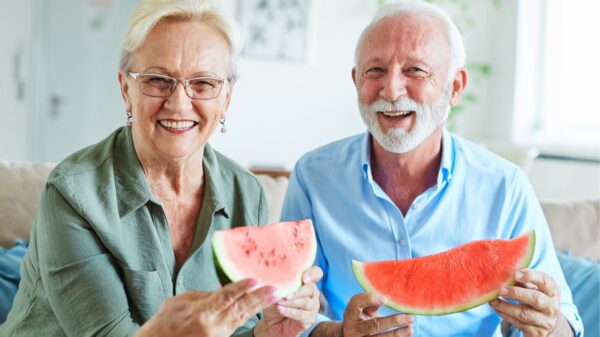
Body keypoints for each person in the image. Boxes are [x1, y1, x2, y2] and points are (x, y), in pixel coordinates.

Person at [0, 1, 321, 336]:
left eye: (203, 84)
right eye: (158, 80)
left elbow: (233, 327)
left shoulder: (246, 192)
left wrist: (266, 332)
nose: (179, 103)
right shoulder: (72, 192)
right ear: (126, 89)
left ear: (226, 97)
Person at [280, 1, 583, 337]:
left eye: (415, 70)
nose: (391, 90)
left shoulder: (505, 186)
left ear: (454, 87)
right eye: (375, 70)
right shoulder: (314, 178)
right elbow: (289, 312)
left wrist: (550, 324)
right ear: (356, 81)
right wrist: (338, 334)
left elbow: (564, 322)